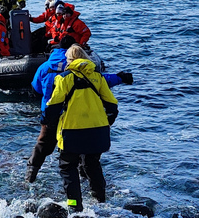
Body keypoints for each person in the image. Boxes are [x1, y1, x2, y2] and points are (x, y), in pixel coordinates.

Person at [26, 36, 133, 182]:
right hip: (75, 117)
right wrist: (120, 78)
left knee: (43, 145)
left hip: (50, 115)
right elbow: (101, 80)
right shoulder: (79, 67)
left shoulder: (45, 66)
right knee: (82, 151)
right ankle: (86, 182)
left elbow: (36, 88)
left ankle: (30, 174)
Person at [42, 44, 119, 212]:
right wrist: (106, 123)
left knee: (68, 167)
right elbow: (112, 105)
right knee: (93, 164)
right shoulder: (98, 77)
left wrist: (47, 122)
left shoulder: (63, 79)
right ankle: (101, 201)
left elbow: (53, 106)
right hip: (98, 131)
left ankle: (74, 206)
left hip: (72, 132)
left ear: (68, 60)